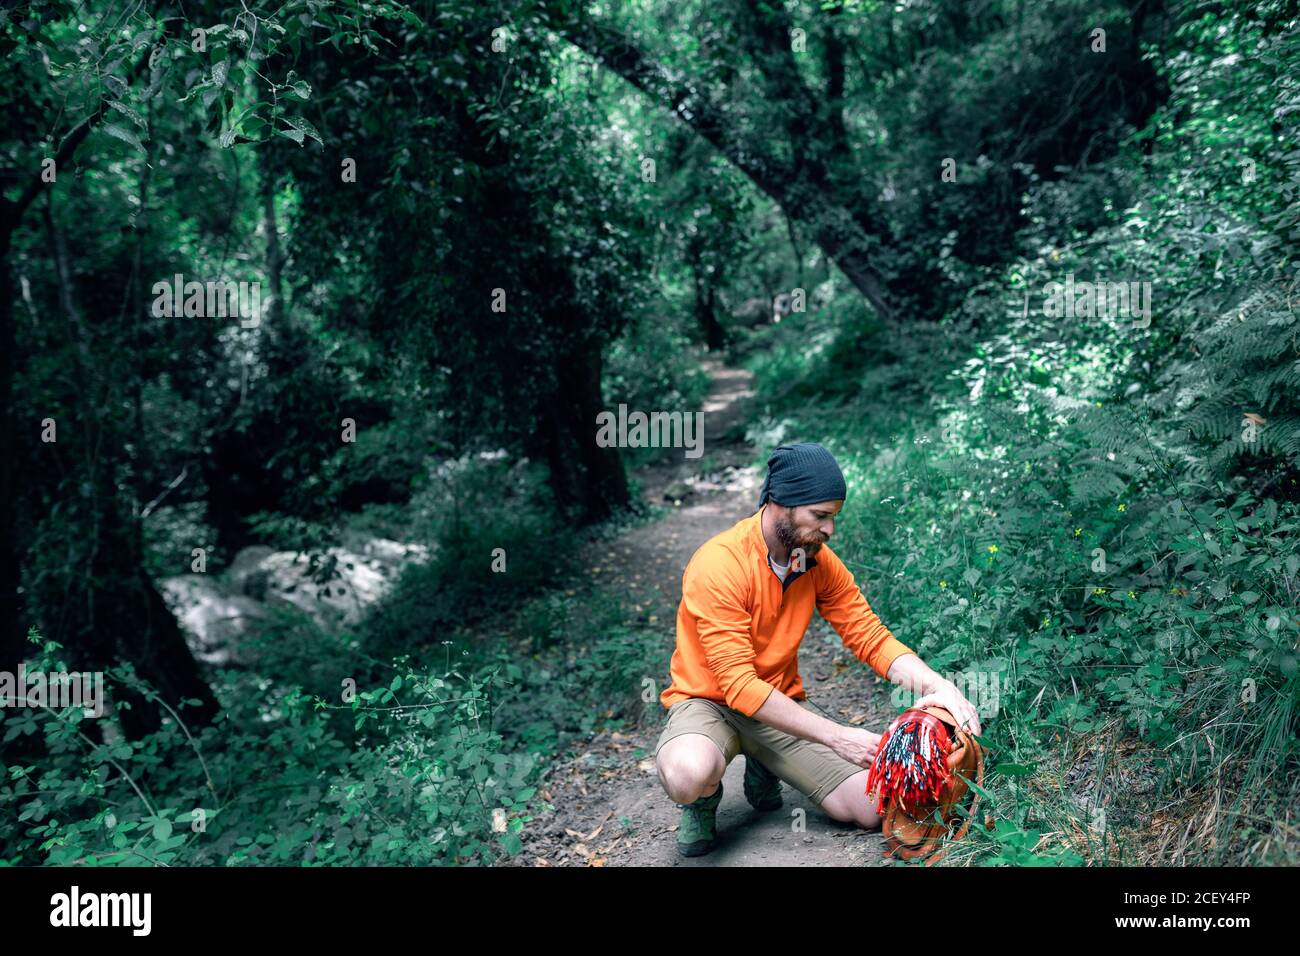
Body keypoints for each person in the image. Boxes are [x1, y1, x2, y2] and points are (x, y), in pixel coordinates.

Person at [654, 441, 981, 857]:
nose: (830, 530)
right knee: (688, 774)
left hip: (777, 705)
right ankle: (703, 800)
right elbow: (736, 686)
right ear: (781, 503)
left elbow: (870, 637)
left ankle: (764, 760)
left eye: (833, 518)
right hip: (709, 702)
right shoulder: (719, 564)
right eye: (820, 517)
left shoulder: (817, 562)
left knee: (870, 806)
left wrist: (940, 688)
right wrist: (838, 737)